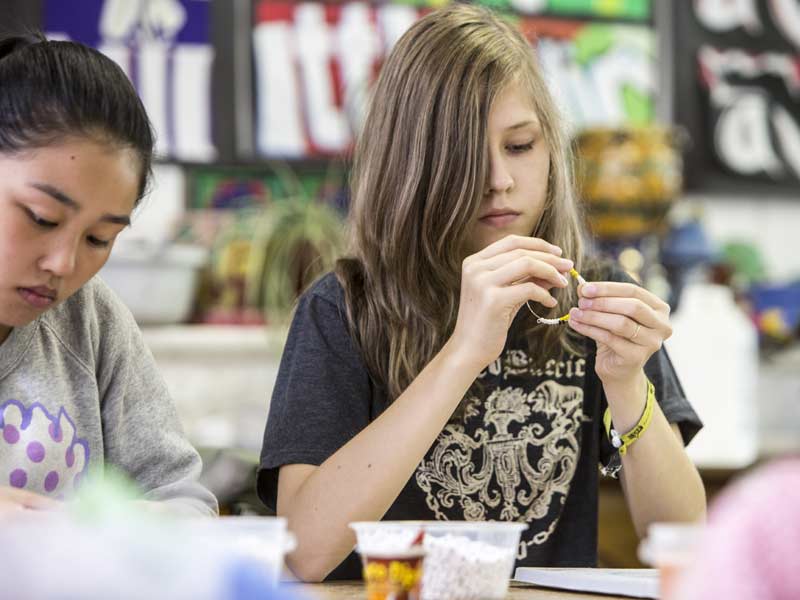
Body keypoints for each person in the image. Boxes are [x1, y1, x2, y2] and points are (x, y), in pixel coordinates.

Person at [258, 4, 705, 581]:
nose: (499, 179)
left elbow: (686, 540)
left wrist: (627, 384)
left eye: (520, 146)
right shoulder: (345, 306)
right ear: (412, 163)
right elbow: (304, 553)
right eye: (465, 155)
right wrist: (464, 351)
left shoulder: (594, 294)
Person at [0, 34, 217, 516]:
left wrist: (105, 528)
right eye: (41, 217)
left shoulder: (91, 321)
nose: (63, 264)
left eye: (99, 238)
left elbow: (186, 504)